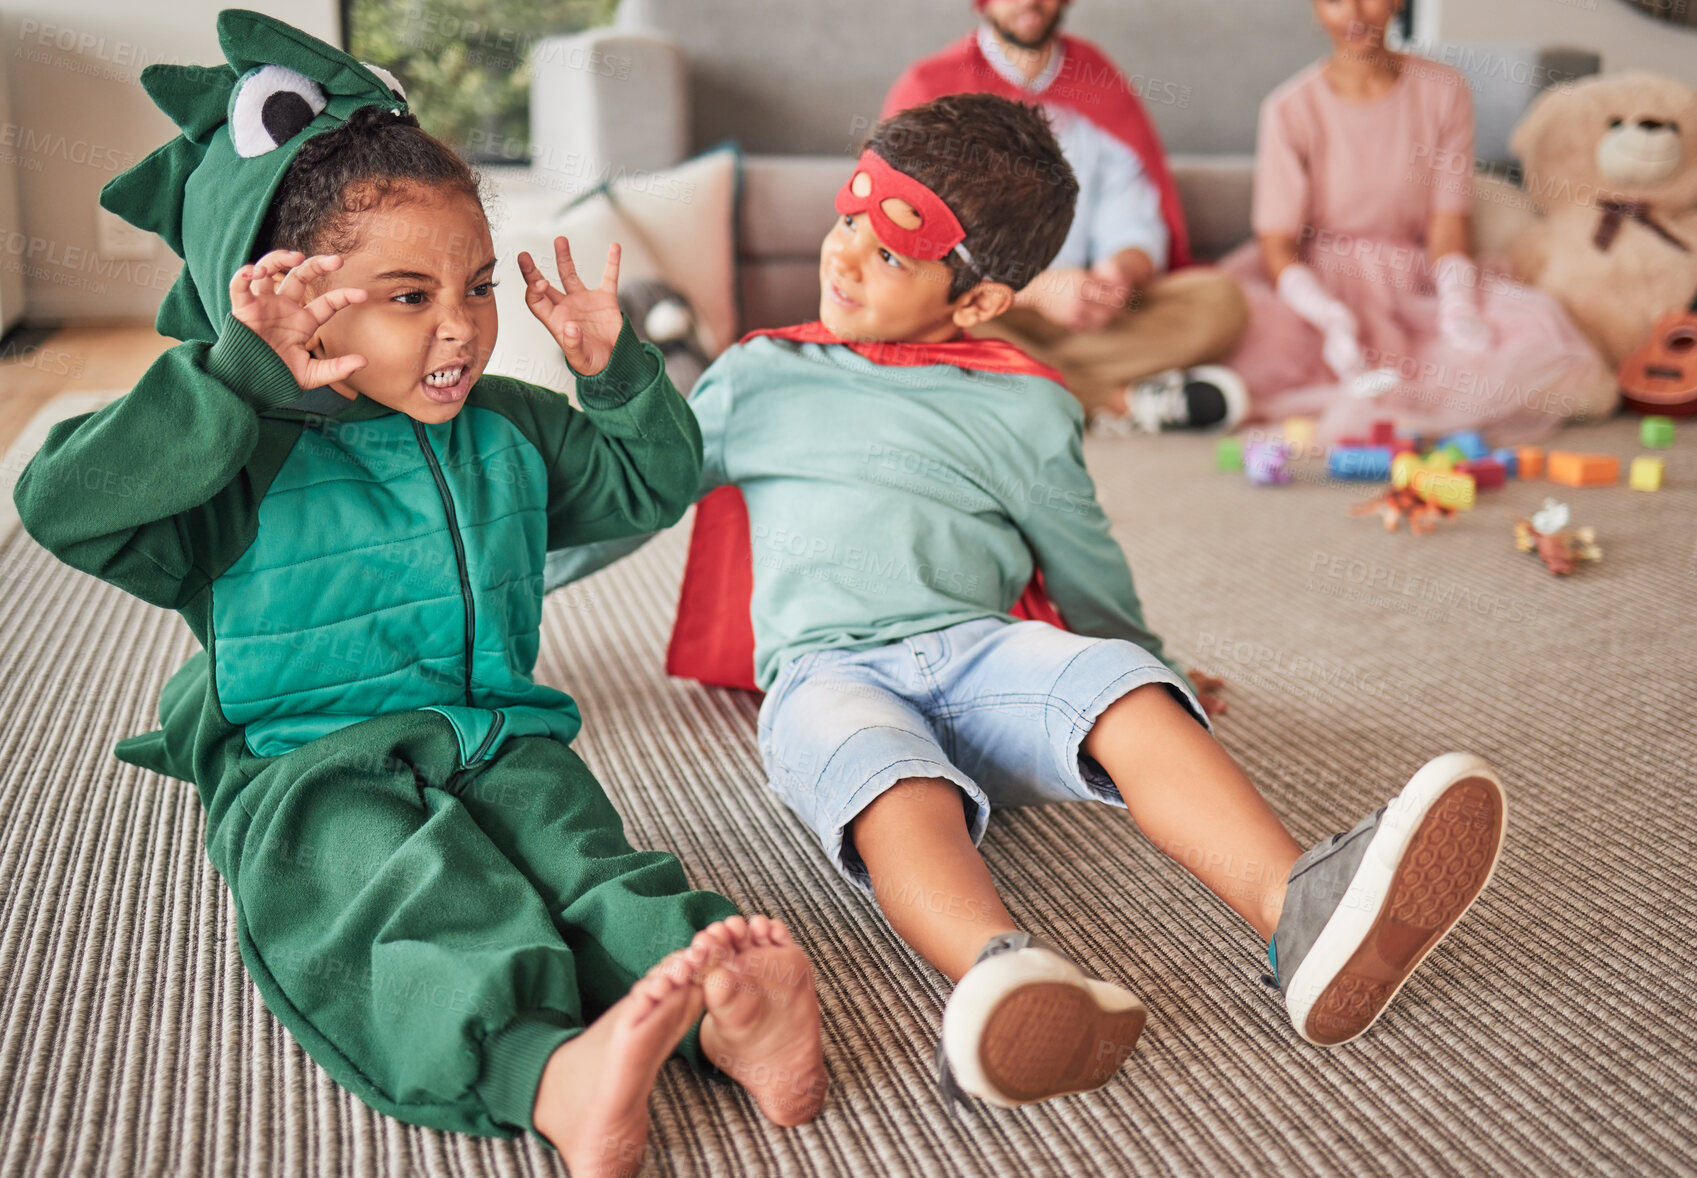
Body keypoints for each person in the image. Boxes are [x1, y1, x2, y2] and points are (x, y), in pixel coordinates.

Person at [547, 93, 1509, 1111]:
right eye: (846, 223)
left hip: (982, 655)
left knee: (1119, 687)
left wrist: (1149, 659)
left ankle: (1298, 908)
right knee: (887, 782)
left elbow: (1081, 557)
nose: (842, 257)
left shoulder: (1023, 403)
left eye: (886, 256)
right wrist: (494, 575)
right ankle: (998, 970)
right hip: (826, 671)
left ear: (977, 303)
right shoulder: (758, 373)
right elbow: (631, 500)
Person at [11, 13, 822, 1176]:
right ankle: (545, 1069)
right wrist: (231, 380)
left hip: (499, 732)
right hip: (308, 759)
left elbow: (650, 483)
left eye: (478, 283)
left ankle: (724, 1001)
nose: (460, 325)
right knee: (410, 896)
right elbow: (62, 501)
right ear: (294, 300)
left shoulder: (507, 425)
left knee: (585, 859)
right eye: (408, 296)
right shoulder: (227, 450)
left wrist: (614, 370)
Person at [1218, 0, 1616, 443]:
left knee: (1532, 327)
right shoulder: (1289, 108)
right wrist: (1329, 318)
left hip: (1416, 278)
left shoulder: (1443, 90)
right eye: (1334, 0)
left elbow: (1447, 223)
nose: (1354, 13)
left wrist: (1459, 309)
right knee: (1248, 342)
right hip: (1317, 283)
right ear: (1315, 10)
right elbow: (1278, 244)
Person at [882, 0, 1251, 433]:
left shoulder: (1098, 80)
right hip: (988, 310)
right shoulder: (931, 87)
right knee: (931, 326)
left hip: (1089, 316)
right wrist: (1036, 291)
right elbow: (906, 251)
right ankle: (1124, 402)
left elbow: (1132, 218)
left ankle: (1035, 386)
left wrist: (1120, 273)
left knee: (1220, 301)